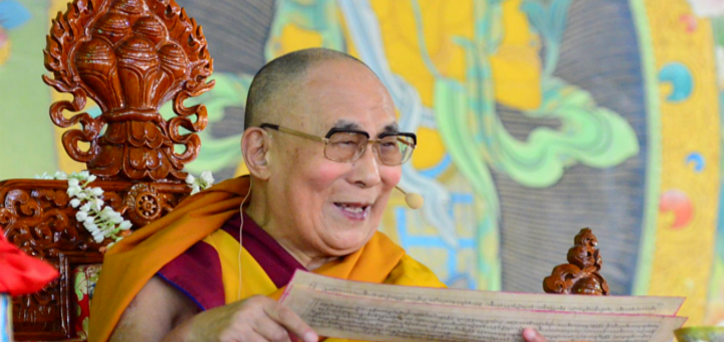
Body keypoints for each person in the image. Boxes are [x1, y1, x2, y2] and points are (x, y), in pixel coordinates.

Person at [88, 48, 549, 342]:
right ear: (261, 152)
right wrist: (190, 340)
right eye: (343, 142)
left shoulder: (402, 286)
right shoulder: (177, 279)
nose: (372, 174)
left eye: (387, 145)